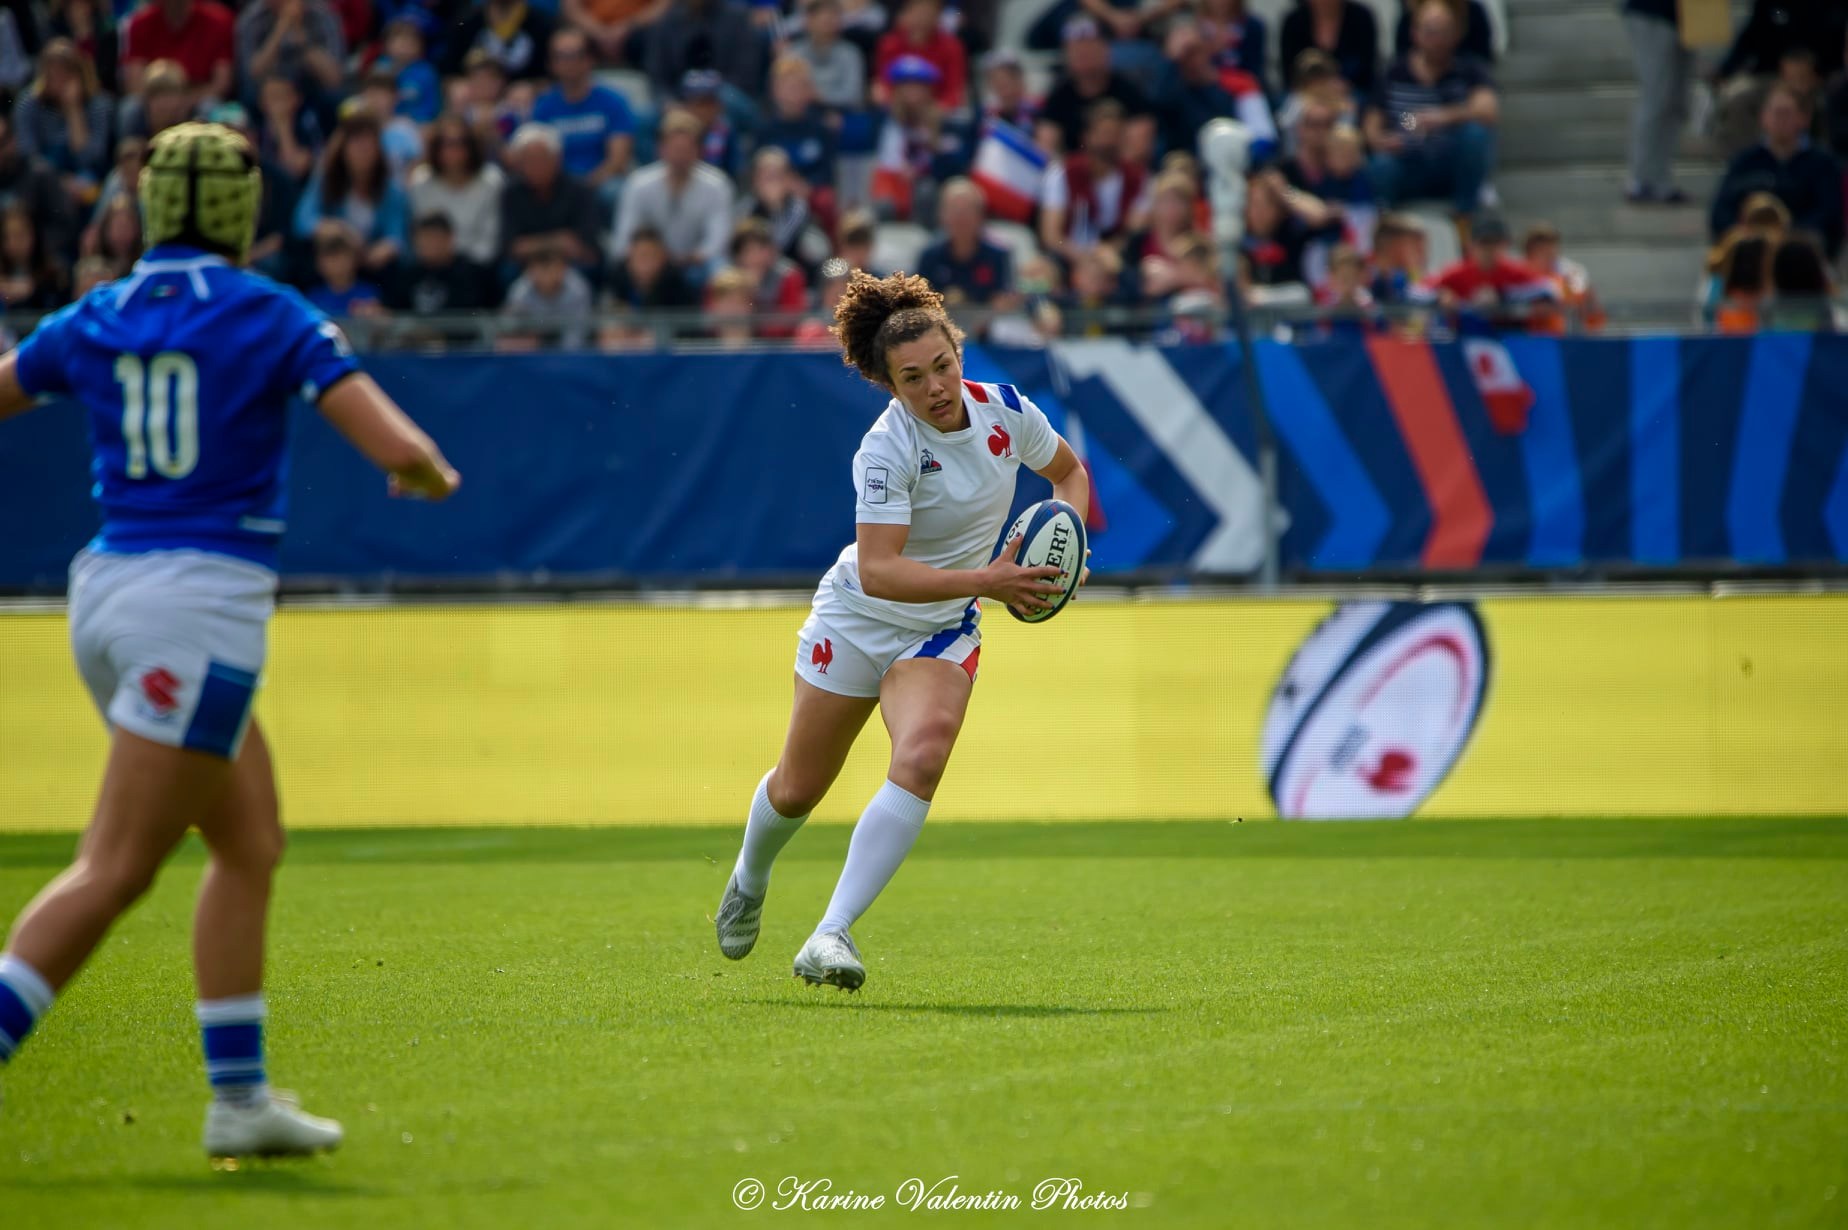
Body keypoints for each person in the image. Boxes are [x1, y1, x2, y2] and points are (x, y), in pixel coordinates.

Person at [0, 120, 459, 1160]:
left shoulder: (97, 312)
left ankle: (240, 1100)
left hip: (106, 591)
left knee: (248, 841)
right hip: (196, 607)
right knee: (113, 869)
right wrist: (425, 474)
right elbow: (400, 445)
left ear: (150, 208)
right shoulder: (268, 313)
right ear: (240, 214)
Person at [712, 270, 1091, 992]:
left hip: (941, 626)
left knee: (921, 757)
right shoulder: (884, 451)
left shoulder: (1009, 411)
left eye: (943, 366)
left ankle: (830, 933)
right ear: (889, 385)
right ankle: (749, 874)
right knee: (798, 789)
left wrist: (1066, 540)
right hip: (859, 617)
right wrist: (991, 579)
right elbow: (882, 571)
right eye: (913, 378)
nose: (936, 387)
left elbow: (1069, 475)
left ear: (959, 349)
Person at [1364, 0, 1498, 217]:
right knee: (1380, 165)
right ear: (1415, 33)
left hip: (1450, 161)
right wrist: (1381, 140)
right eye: (1430, 31)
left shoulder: (1471, 70)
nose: (1437, 40)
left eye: (1444, 31)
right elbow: (1372, 123)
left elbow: (1487, 110)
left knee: (1476, 135)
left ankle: (1465, 215)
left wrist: (1441, 117)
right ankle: (1386, 221)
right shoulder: (1393, 73)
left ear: (1456, 34)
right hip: (1407, 162)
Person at [1709, 83, 1843, 260]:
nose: (1779, 120)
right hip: (1751, 240)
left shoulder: (1822, 163)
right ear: (1764, 117)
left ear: (1804, 118)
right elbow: (1722, 208)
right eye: (1775, 113)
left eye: (1786, 113)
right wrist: (1741, 231)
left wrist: (1791, 233)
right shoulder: (1745, 161)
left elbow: (1829, 211)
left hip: (1800, 244)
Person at [609, 107, 735, 277]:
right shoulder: (639, 184)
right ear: (661, 149)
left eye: (686, 149)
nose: (680, 156)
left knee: (717, 268)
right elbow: (624, 238)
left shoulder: (717, 185)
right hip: (651, 264)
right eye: (675, 148)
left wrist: (692, 258)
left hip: (696, 265)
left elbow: (717, 242)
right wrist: (651, 257)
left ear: (699, 151)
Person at [293, 104, 412, 274]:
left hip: (372, 267)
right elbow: (302, 220)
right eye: (356, 143)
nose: (363, 151)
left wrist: (387, 248)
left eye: (369, 144)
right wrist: (338, 230)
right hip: (333, 265)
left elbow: (397, 236)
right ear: (344, 148)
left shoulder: (391, 189)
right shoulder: (326, 178)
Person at [1040, 99, 1152, 261]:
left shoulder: (1139, 178)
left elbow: (1134, 231)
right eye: (1105, 134)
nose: (1110, 142)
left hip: (1117, 258)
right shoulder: (1061, 173)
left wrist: (1105, 255)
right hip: (1069, 257)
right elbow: (1051, 235)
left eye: (1116, 134)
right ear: (1087, 137)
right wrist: (1082, 258)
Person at [531, 26, 635, 199]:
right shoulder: (543, 107)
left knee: (614, 192)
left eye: (574, 55)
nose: (567, 63)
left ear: (589, 59)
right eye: (560, 57)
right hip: (557, 186)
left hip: (602, 182)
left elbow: (618, 159)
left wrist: (587, 185)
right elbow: (539, 157)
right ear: (552, 64)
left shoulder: (613, 101)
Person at [1038, 16, 1156, 159]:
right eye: (1077, 50)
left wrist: (1104, 175)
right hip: (1073, 175)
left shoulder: (1129, 91)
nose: (1084, 54)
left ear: (1105, 50)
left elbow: (1139, 147)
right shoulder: (1058, 97)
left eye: (1090, 48)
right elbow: (1044, 148)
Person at [12, 37, 114, 196]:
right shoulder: (28, 104)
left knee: (89, 186)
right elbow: (28, 155)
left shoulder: (98, 104)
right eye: (52, 73)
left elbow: (90, 159)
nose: (57, 79)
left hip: (86, 179)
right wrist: (59, 181)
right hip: (43, 178)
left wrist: (74, 110)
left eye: (64, 73)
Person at [499, 120, 603, 271]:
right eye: (528, 160)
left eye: (541, 158)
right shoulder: (511, 193)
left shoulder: (579, 189)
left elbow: (586, 243)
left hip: (570, 264)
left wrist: (532, 245)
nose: (536, 166)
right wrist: (556, 241)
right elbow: (509, 245)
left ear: (557, 159)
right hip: (527, 266)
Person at [1422, 211, 1557, 327]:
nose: (1491, 250)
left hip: (1508, 338)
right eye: (1485, 243)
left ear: (1505, 245)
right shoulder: (1458, 272)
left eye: (1496, 243)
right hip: (1466, 339)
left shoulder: (1513, 271)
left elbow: (1548, 289)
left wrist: (1501, 294)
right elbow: (1419, 290)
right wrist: (1440, 296)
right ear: (1471, 245)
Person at [410, 115, 504, 266]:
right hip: (431, 264)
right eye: (446, 144)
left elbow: (489, 241)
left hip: (477, 268)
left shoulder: (491, 182)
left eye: (461, 143)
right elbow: (420, 237)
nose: (454, 151)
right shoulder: (421, 182)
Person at [1623, 0, 1692, 204]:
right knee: (1656, 97)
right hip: (1653, 12)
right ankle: (1640, 178)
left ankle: (1661, 180)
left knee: (1675, 101)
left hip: (1687, 14)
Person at [916, 176, 1015, 308]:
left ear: (981, 215)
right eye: (954, 210)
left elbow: (1005, 298)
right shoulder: (929, 256)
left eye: (967, 210)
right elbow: (917, 303)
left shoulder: (999, 255)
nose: (960, 217)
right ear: (941, 215)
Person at [120, 0, 234, 98]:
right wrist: (162, 104)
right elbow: (134, 85)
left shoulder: (218, 21)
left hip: (198, 99)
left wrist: (183, 102)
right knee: (131, 107)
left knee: (209, 106)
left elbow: (221, 84)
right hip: (153, 101)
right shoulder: (140, 23)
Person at [1279, 0, 1379, 104]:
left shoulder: (1361, 18)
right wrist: (1316, 88)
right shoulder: (1293, 21)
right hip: (1304, 90)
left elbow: (1366, 70)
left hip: (1348, 92)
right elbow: (1289, 72)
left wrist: (1340, 86)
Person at [872, 0, 965, 110]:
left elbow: (953, 92)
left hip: (935, 112)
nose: (922, 18)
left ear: (938, 16)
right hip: (896, 110)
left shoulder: (952, 47)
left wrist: (935, 110)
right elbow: (883, 84)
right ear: (906, 14)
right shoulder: (889, 44)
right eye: (917, 12)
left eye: (928, 13)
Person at [792, 0, 866, 112]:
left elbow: (853, 96)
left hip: (842, 113)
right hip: (802, 113)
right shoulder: (794, 52)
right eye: (823, 20)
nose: (828, 24)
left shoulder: (851, 53)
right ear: (807, 20)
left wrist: (818, 96)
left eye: (833, 18)